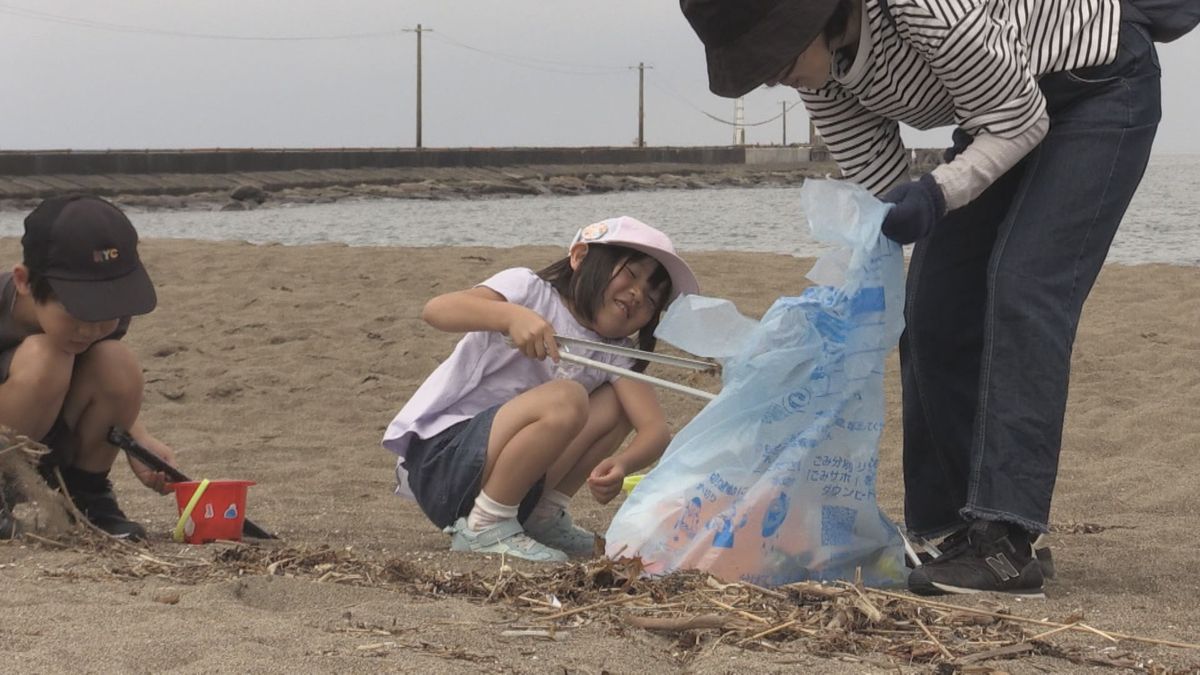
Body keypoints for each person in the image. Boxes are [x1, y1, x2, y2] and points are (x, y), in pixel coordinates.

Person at [680, 0, 1175, 596]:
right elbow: (884, 183)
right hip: (996, 113)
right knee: (932, 305)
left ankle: (1005, 542)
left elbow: (1018, 121)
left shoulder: (922, 9)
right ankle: (952, 533)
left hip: (1097, 84)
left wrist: (935, 195)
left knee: (1023, 288)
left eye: (772, 57)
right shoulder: (822, 78)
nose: (767, 77)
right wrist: (862, 264)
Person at [382, 216, 700, 562]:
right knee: (568, 397)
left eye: (654, 299)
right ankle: (485, 525)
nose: (639, 294)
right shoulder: (528, 288)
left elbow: (655, 429)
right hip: (447, 463)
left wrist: (622, 463)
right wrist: (510, 316)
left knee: (616, 404)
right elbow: (437, 310)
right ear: (580, 256)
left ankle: (541, 516)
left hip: (519, 483)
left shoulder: (615, 349)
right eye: (631, 274)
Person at [0, 194, 177, 541]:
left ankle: (85, 496)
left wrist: (138, 441)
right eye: (79, 311)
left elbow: (99, 377)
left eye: (104, 310)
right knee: (45, 356)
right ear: (24, 281)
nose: (91, 328)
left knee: (116, 359)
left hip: (47, 438)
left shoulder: (101, 321)